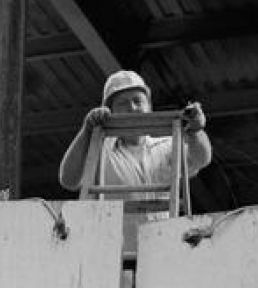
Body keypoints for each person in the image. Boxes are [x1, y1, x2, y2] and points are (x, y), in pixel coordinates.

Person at [58, 69, 212, 204]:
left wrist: (195, 131)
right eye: (123, 103)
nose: (132, 108)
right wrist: (87, 130)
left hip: (158, 233)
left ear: (149, 107)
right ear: (109, 111)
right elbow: (68, 180)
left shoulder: (167, 146)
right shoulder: (98, 149)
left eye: (138, 101)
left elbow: (201, 159)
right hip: (109, 234)